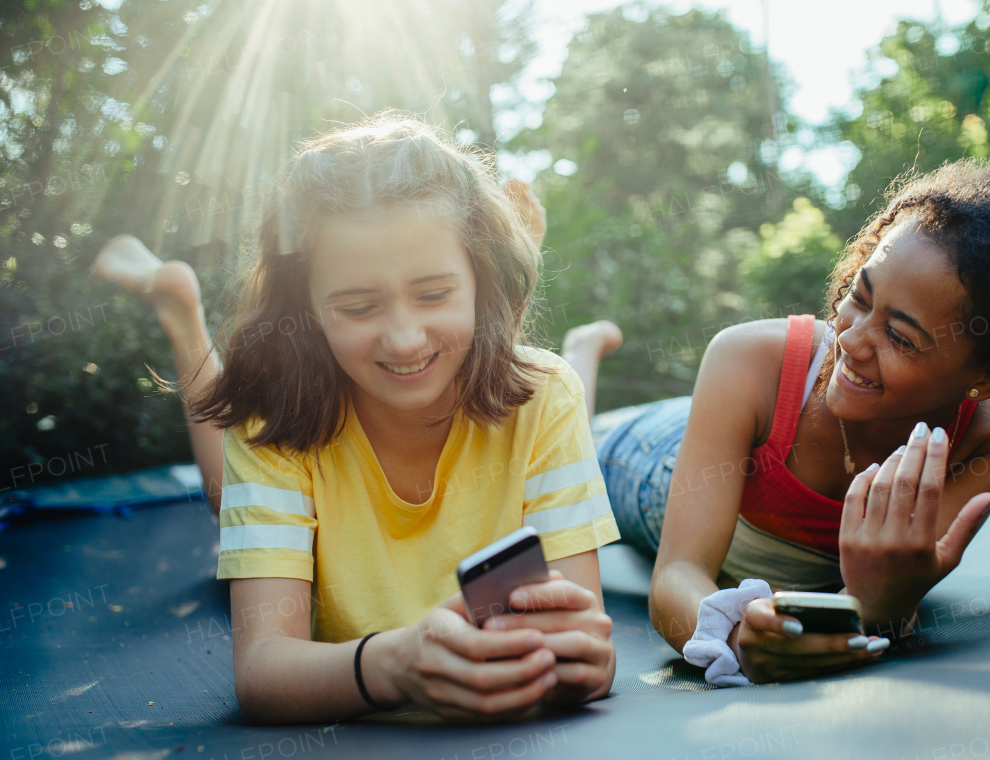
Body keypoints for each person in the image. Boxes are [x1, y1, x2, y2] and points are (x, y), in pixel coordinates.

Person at [568, 109, 990, 686]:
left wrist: (877, 609)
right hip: (653, 462)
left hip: (750, 448)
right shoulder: (746, 359)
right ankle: (581, 357)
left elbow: (881, 597)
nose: (852, 339)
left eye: (902, 338)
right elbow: (676, 578)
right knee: (573, 447)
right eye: (861, 295)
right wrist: (733, 637)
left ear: (986, 377)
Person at [94, 114, 620, 722]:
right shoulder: (274, 422)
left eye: (433, 294)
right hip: (298, 430)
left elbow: (584, 638)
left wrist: (581, 663)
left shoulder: (546, 396)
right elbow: (264, 670)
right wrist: (395, 663)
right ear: (305, 308)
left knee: (548, 377)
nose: (403, 339)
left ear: (482, 277)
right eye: (358, 306)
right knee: (224, 491)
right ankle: (183, 314)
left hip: (511, 368)